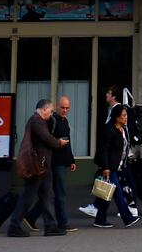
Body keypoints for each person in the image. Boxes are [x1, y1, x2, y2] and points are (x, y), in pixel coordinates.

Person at [9, 99, 69, 238]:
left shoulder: (40, 121)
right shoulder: (36, 120)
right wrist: (59, 143)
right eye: (51, 111)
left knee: (48, 196)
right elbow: (46, 138)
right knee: (28, 197)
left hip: (43, 165)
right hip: (37, 165)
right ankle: (14, 226)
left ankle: (50, 226)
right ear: (44, 109)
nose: (51, 114)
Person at [80, 86, 135, 218]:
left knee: (115, 187)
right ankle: (102, 213)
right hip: (114, 161)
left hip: (115, 160)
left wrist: (106, 165)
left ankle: (129, 209)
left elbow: (112, 143)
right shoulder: (112, 114)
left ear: (114, 96)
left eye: (109, 93)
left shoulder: (117, 112)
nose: (106, 95)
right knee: (110, 186)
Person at [93, 105, 139, 229]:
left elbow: (124, 148)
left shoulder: (124, 130)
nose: (125, 117)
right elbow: (104, 150)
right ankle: (127, 218)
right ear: (117, 117)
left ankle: (100, 219)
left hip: (120, 166)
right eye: (123, 115)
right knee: (118, 194)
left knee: (107, 194)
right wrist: (105, 167)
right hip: (110, 168)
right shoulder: (110, 130)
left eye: (125, 115)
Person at [49, 96, 78, 232]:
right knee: (60, 192)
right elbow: (47, 139)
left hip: (63, 160)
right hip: (55, 161)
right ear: (56, 106)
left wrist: (71, 160)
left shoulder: (65, 121)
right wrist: (57, 143)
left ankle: (31, 217)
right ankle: (62, 222)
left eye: (67, 108)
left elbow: (68, 142)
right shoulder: (52, 120)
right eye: (62, 107)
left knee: (55, 192)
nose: (65, 110)